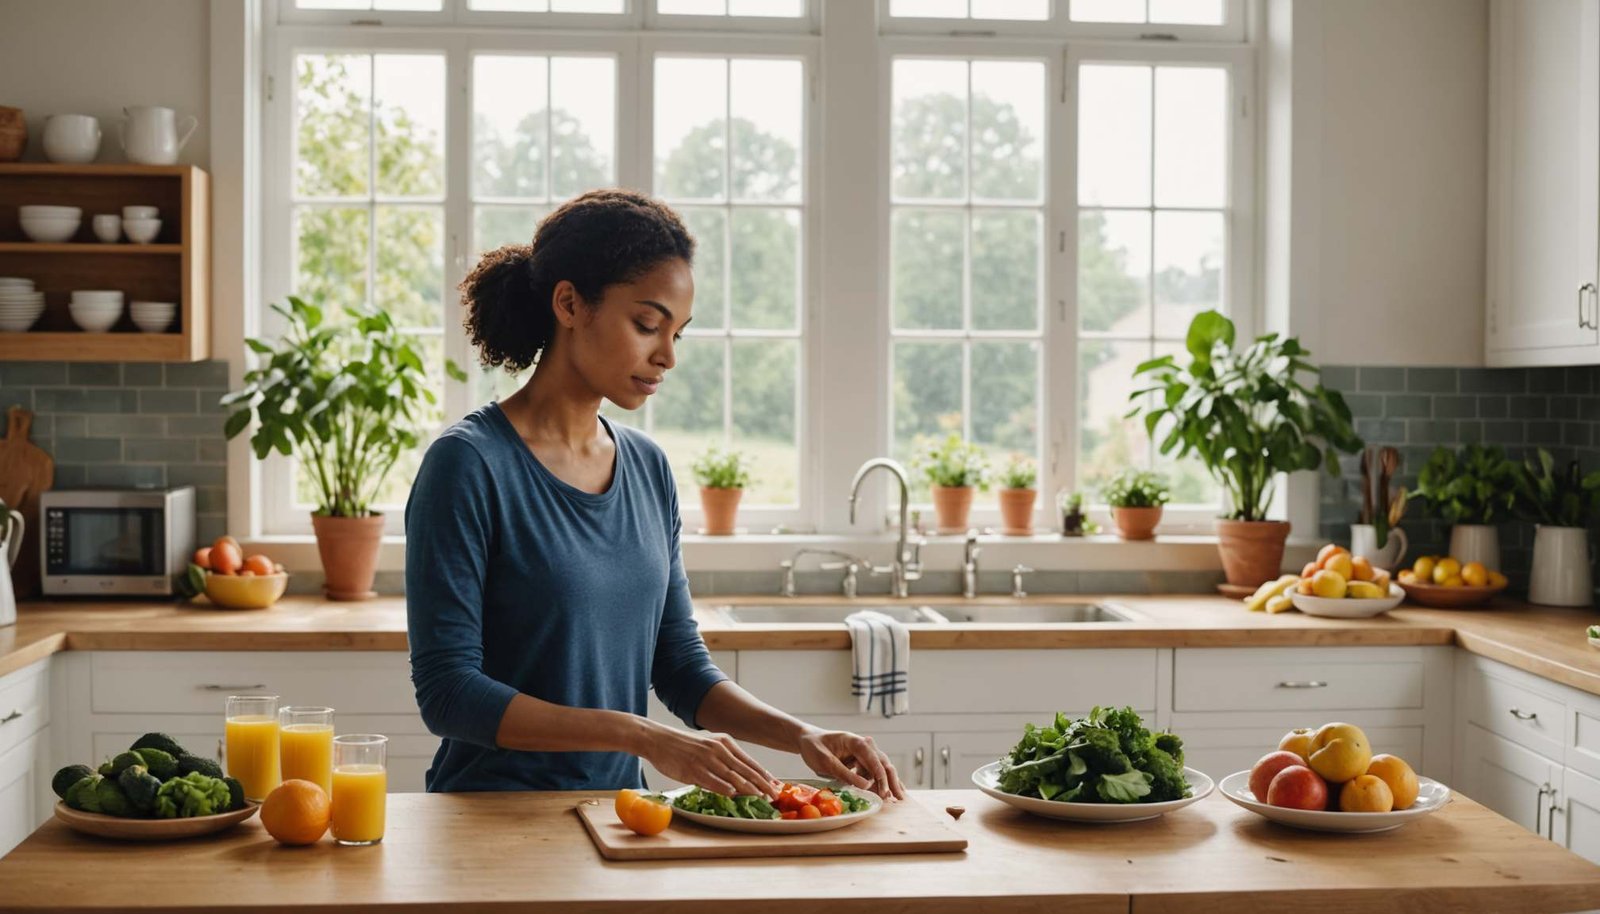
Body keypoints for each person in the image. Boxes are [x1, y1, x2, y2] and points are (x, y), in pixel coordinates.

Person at [405, 188, 907, 803]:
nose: (667, 356)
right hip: (490, 818)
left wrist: (802, 735)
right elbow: (448, 694)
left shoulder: (647, 468)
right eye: (647, 324)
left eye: (678, 333)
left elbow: (678, 665)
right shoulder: (468, 465)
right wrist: (645, 737)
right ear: (569, 303)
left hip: (623, 818)